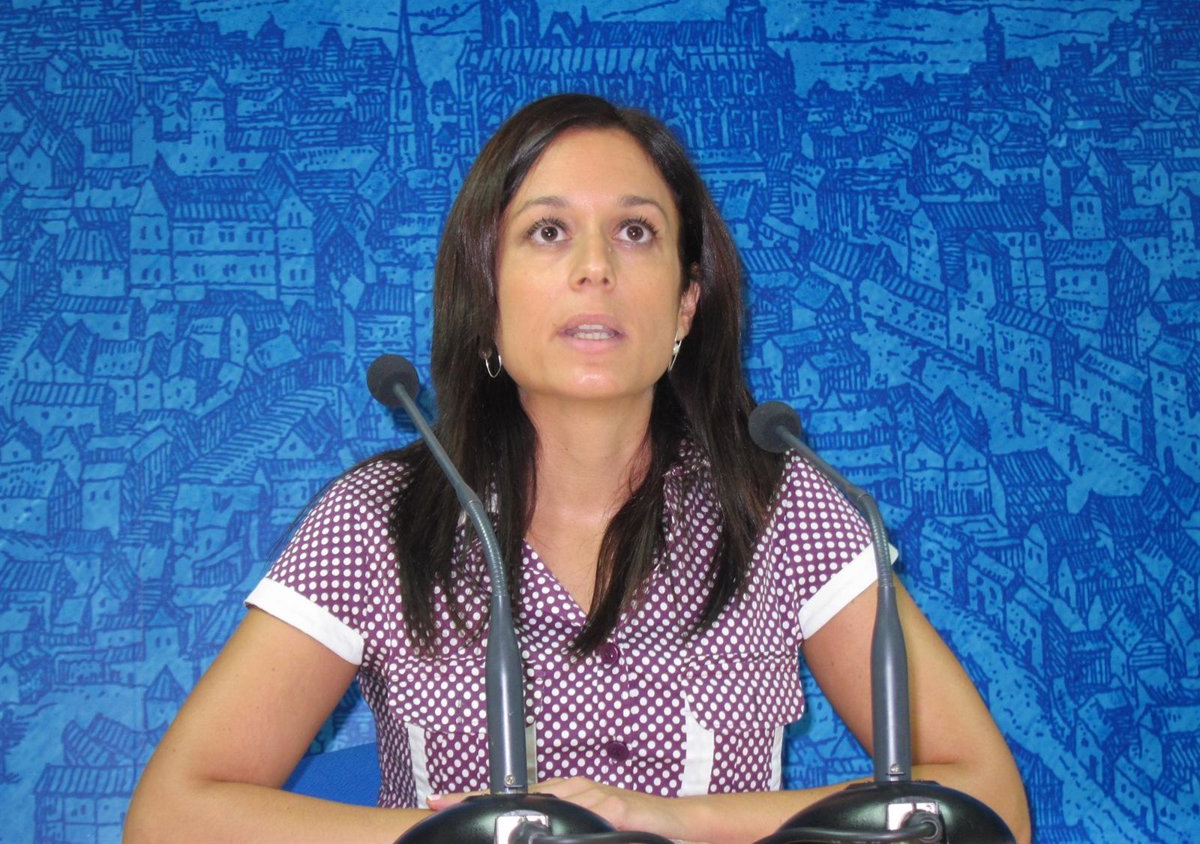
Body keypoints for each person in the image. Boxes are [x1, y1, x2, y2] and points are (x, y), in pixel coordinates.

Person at [126, 94, 1031, 844]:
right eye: (548, 231)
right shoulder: (381, 520)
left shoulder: (782, 507)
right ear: (486, 299)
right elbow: (172, 817)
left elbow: (987, 802)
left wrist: (674, 823)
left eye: (635, 232)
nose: (595, 267)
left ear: (685, 305)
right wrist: (463, 838)